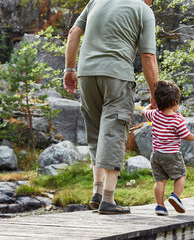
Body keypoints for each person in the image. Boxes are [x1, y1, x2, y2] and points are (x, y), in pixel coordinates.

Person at [63, 0, 158, 214]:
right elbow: (148, 56)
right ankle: (108, 199)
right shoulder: (144, 10)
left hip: (86, 74)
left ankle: (97, 192)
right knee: (114, 131)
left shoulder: (96, 1)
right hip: (117, 75)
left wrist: (69, 68)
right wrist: (154, 95)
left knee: (96, 132)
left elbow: (73, 33)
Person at [141, 80, 194, 216]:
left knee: (160, 180)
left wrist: (149, 106)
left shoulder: (154, 115)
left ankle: (160, 206)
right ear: (175, 103)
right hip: (172, 154)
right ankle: (175, 196)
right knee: (181, 175)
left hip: (156, 155)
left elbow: (144, 112)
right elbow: (185, 135)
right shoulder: (177, 119)